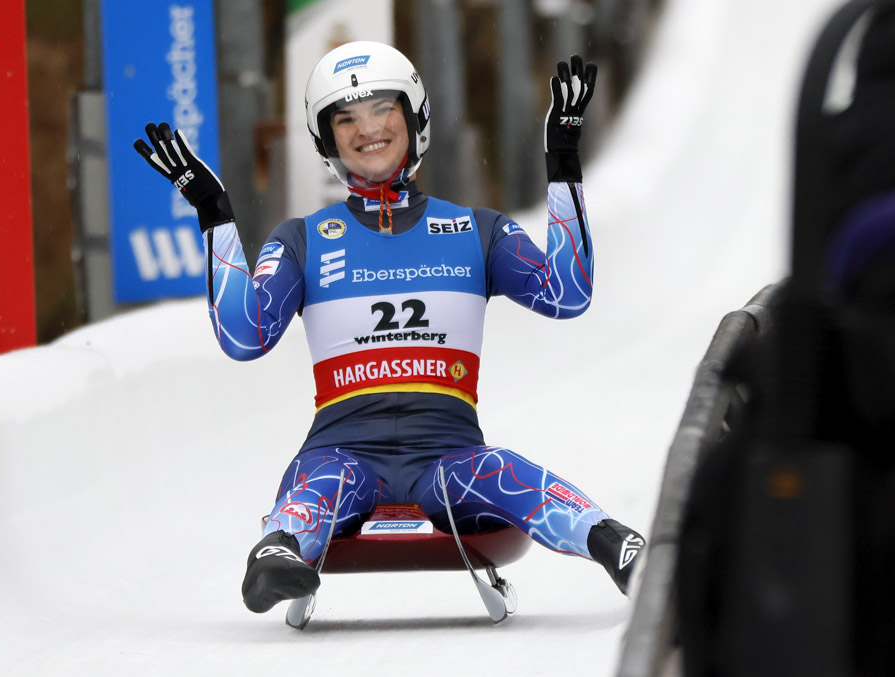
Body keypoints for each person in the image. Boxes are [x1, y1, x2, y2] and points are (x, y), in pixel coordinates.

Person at [135, 41, 646, 614]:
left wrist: (564, 163)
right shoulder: (302, 238)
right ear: (327, 140)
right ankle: (275, 552)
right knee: (321, 484)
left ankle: (618, 548)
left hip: (446, 457)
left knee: (503, 471)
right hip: (344, 451)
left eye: (382, 109)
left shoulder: (476, 230)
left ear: (414, 117)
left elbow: (566, 293)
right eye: (345, 118)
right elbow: (243, 337)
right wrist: (215, 215)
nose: (366, 129)